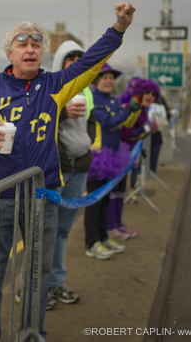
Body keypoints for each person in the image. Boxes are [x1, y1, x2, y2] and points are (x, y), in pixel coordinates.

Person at [0, 2, 135, 341]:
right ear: (10, 52)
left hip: (43, 197)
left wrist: (118, 29)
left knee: (38, 274)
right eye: (23, 43)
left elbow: (89, 62)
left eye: (36, 43)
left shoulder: (56, 84)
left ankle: (32, 333)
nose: (31, 49)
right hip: (1, 197)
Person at [46, 41, 97, 307]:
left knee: (63, 230)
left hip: (79, 168)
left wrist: (87, 144)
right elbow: (39, 120)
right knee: (45, 230)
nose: (76, 60)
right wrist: (62, 113)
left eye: (80, 56)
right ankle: (31, 286)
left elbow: (91, 122)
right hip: (57, 170)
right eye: (70, 57)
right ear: (60, 62)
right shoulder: (50, 88)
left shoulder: (86, 91)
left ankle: (55, 283)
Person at [85, 63, 141, 259]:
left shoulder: (113, 100)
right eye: (104, 77)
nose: (109, 81)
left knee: (106, 201)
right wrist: (128, 110)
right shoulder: (93, 99)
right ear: (96, 80)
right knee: (94, 202)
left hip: (114, 157)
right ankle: (91, 243)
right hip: (98, 158)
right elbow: (109, 124)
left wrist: (134, 109)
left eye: (111, 78)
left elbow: (124, 123)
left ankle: (103, 237)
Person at [109, 78, 161, 240]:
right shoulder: (130, 105)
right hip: (115, 153)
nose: (150, 96)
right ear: (138, 92)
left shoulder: (142, 108)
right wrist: (146, 129)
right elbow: (126, 134)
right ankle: (111, 227)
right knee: (113, 192)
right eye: (147, 92)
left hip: (126, 154)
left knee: (120, 192)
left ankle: (118, 224)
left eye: (153, 94)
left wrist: (146, 130)